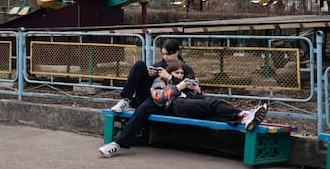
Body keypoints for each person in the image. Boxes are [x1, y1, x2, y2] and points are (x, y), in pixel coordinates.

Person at [98, 59, 267, 158]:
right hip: (174, 105)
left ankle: (243, 119)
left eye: (181, 74)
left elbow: (200, 102)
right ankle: (243, 114)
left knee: (213, 112)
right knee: (214, 104)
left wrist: (198, 91)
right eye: (176, 73)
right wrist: (178, 86)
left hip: (186, 107)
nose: (179, 76)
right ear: (169, 73)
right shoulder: (161, 82)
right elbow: (159, 97)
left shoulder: (185, 86)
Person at [110, 39, 195, 113]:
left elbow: (191, 87)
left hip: (167, 103)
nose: (165, 57)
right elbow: (152, 86)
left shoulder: (185, 69)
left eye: (168, 54)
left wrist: (169, 77)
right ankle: (125, 100)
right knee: (139, 65)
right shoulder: (159, 65)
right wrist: (150, 76)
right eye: (163, 54)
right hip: (149, 97)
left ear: (176, 52)